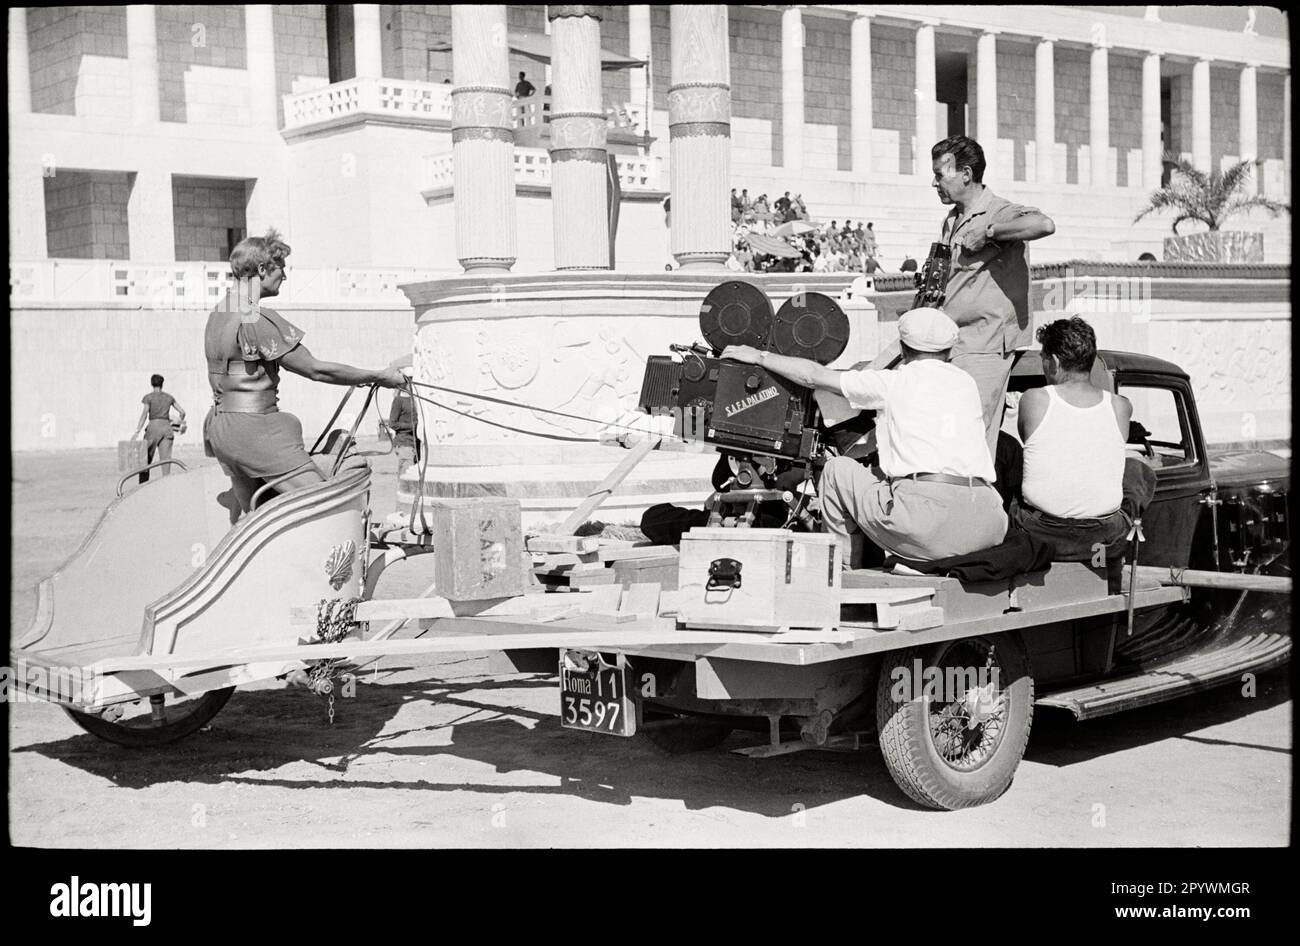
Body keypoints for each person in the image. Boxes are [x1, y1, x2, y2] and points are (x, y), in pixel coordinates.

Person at [722, 308, 1006, 566]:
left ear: (904, 349)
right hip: (988, 523)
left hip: (929, 526)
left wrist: (759, 356)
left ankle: (841, 574)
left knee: (835, 470)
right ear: (949, 351)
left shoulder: (893, 382)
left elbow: (812, 376)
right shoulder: (966, 384)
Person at [203, 228, 406, 515]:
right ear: (261, 268)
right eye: (280, 268)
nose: (284, 276)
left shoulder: (219, 311)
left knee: (251, 516)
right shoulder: (255, 316)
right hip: (254, 429)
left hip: (221, 428)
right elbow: (316, 370)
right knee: (330, 508)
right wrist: (379, 376)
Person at [930, 134, 1057, 461]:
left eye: (940, 175)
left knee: (970, 437)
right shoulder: (952, 218)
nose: (935, 183)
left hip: (984, 343)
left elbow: (1043, 224)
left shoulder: (998, 211)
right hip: (952, 340)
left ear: (966, 174)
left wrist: (990, 233)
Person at [1014, 317, 1133, 568]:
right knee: (1140, 473)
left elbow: (1028, 439)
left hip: (1041, 532)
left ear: (1054, 362)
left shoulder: (1034, 400)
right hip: (1102, 535)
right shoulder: (1121, 406)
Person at [132, 373, 186, 483]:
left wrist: (137, 431)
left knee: (145, 459)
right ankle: (166, 486)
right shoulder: (169, 397)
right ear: (162, 384)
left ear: (151, 384)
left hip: (153, 427)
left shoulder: (149, 397)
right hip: (166, 428)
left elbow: (144, 415)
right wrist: (177, 424)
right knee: (166, 461)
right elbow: (182, 412)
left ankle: (142, 486)